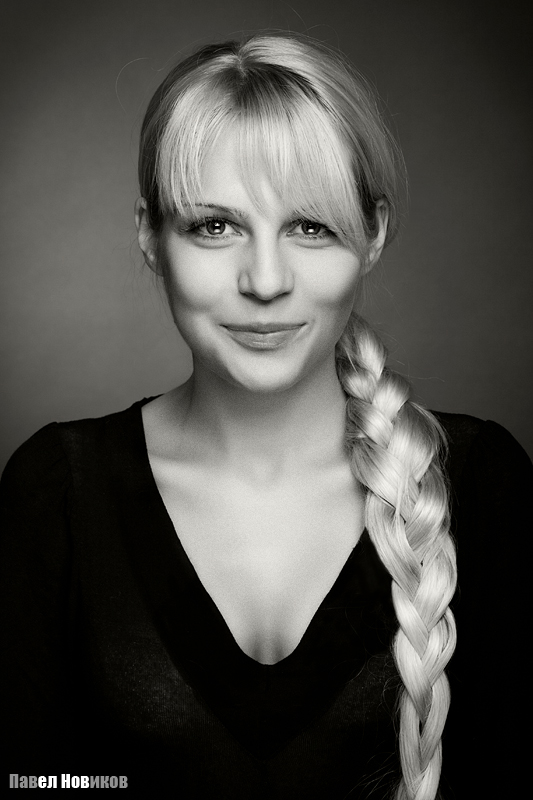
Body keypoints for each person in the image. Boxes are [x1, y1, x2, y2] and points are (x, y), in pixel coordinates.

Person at [1, 33, 531, 800]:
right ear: (149, 236)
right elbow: (32, 781)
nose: (265, 280)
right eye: (214, 226)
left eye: (309, 226)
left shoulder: (480, 485)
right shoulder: (55, 492)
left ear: (373, 234)